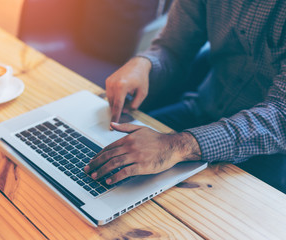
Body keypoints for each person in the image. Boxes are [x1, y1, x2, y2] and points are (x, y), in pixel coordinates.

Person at [84, 0, 286, 189]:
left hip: (266, 150)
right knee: (97, 155)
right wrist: (144, 63)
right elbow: (172, 47)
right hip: (201, 110)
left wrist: (177, 146)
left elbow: (280, 117)